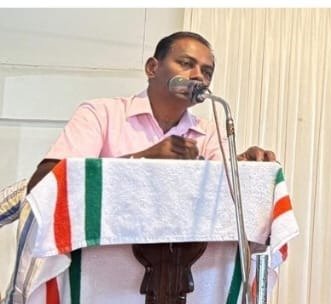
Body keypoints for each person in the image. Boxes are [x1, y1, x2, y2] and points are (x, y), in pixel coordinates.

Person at [26, 31, 275, 192]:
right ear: (152, 68)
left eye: (207, 72)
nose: (198, 76)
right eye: (186, 64)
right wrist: (143, 159)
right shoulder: (101, 114)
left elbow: (223, 190)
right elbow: (43, 185)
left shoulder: (209, 133)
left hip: (183, 257)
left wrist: (246, 166)